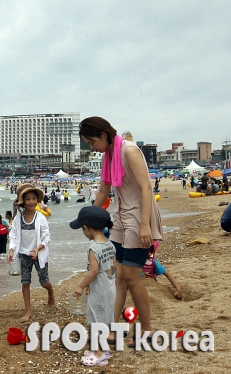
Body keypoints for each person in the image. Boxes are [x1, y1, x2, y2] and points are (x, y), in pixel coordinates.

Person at [79, 116, 163, 347]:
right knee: (116, 276)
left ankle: (145, 329)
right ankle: (113, 330)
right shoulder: (109, 155)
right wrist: (89, 217)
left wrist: (145, 224)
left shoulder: (129, 151)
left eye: (91, 142)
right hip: (121, 216)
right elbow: (104, 189)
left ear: (104, 135)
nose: (91, 147)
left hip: (139, 217)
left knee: (131, 277)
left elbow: (146, 187)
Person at [70, 206, 116, 367]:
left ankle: (100, 354)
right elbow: (113, 267)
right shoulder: (110, 244)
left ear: (86, 228)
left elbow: (93, 272)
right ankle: (102, 350)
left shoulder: (93, 248)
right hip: (109, 288)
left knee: (97, 322)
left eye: (82, 229)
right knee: (104, 320)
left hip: (99, 291)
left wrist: (80, 286)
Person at [7, 184, 55, 322]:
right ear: (23, 201)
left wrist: (38, 248)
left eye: (34, 198)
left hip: (39, 254)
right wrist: (11, 250)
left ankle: (50, 292)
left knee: (44, 282)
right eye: (28, 199)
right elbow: (14, 236)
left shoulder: (40, 217)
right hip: (23, 255)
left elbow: (47, 237)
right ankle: (28, 311)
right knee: (25, 283)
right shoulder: (18, 218)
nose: (32, 202)